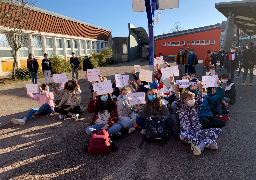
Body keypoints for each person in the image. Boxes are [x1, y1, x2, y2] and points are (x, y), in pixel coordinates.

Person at [174, 82, 222, 156]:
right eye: (190, 99)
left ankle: (201, 145)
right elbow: (177, 101)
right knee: (182, 136)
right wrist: (177, 91)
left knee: (218, 130)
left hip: (197, 131)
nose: (192, 100)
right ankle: (208, 143)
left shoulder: (195, 107)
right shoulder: (181, 108)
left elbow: (199, 100)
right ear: (184, 100)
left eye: (193, 99)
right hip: (187, 132)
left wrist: (200, 89)